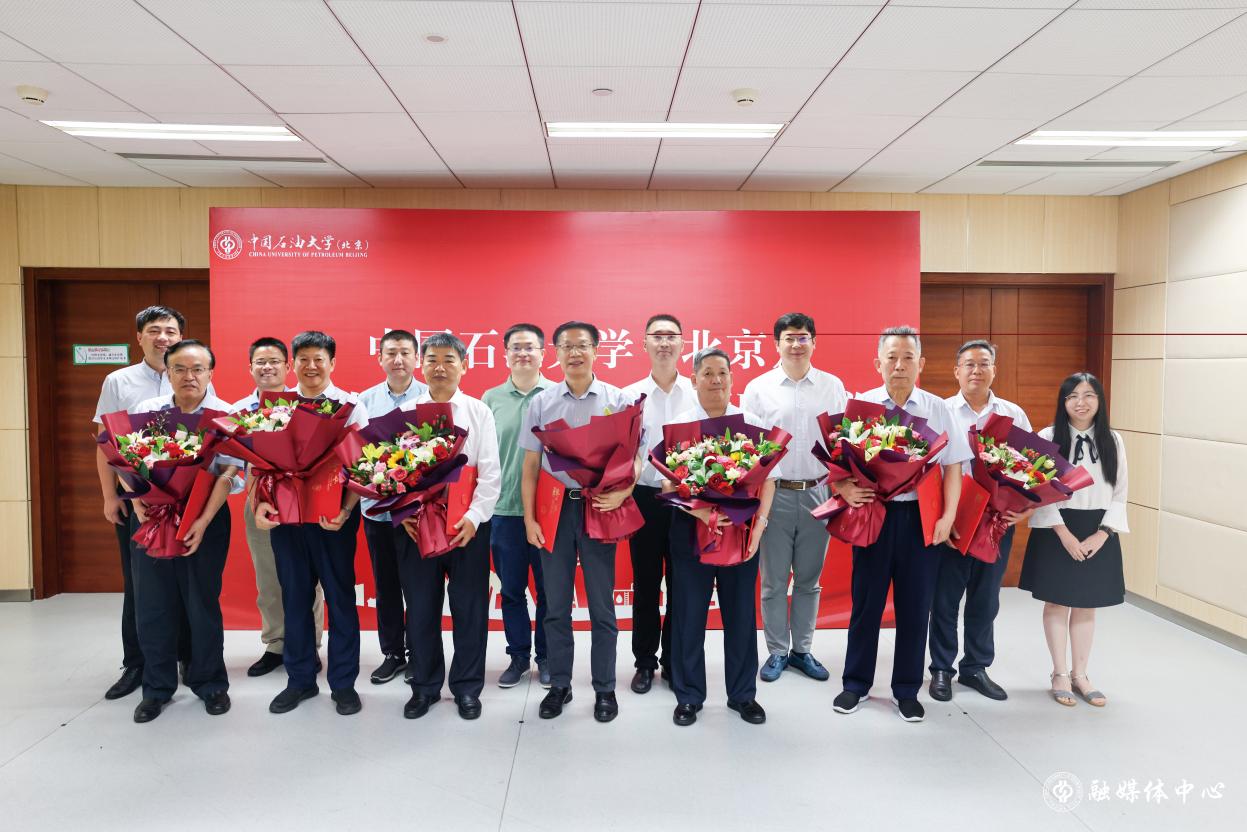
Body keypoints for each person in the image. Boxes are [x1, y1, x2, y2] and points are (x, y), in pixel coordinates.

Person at [832, 326, 970, 723]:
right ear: (878, 363)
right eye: (891, 357)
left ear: (920, 364)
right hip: (874, 514)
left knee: (915, 607)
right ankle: (856, 683)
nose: (899, 365)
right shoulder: (861, 406)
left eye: (908, 357)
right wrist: (843, 488)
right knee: (866, 604)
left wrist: (948, 516)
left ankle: (906, 689)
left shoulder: (937, 408)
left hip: (920, 519)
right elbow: (838, 464)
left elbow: (954, 465)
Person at [520, 321, 639, 723]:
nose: (574, 353)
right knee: (555, 605)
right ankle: (560, 685)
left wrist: (624, 491)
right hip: (555, 510)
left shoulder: (618, 400)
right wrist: (530, 518)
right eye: (566, 346)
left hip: (599, 506)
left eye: (582, 345)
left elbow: (635, 457)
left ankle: (605, 688)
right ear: (555, 353)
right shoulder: (542, 403)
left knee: (602, 606)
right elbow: (530, 466)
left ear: (596, 350)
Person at [255, 331, 369, 717]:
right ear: (293, 365)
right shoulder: (277, 407)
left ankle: (344, 684)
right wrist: (262, 503)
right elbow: (264, 467)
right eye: (303, 359)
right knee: (295, 598)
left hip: (332, 519)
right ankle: (300, 679)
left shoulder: (350, 407)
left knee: (340, 599)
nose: (311, 366)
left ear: (332, 363)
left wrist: (347, 510)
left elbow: (362, 465)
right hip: (288, 520)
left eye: (319, 358)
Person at [128, 340, 242, 723]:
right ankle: (156, 689)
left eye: (197, 369)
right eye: (179, 368)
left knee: (202, 603)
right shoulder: (148, 411)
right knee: (153, 605)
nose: (188, 376)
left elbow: (228, 472)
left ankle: (210, 684)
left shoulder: (226, 415)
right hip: (152, 517)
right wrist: (137, 502)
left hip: (205, 519)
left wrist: (202, 521)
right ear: (168, 372)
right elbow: (124, 460)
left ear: (210, 373)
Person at [665, 348, 774, 727]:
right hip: (690, 529)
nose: (716, 380)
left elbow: (769, 479)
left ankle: (743, 695)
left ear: (731, 378)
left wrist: (759, 526)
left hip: (741, 531)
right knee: (689, 615)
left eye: (722, 373)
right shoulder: (680, 425)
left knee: (741, 615)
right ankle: (688, 696)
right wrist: (701, 512)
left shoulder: (752, 424)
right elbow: (668, 484)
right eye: (708, 373)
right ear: (693, 380)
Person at [394, 333, 501, 720]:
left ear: (464, 366)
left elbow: (490, 473)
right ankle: (424, 686)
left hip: (467, 526)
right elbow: (391, 473)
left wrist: (473, 518)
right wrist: (404, 511)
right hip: (416, 526)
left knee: (469, 609)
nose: (440, 367)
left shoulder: (478, 411)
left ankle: (468, 688)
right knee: (421, 608)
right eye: (432, 359)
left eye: (449, 360)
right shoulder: (404, 412)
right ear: (421, 365)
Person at [93, 305, 193, 701]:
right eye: (154, 330)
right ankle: (136, 663)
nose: (163, 337)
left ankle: (187, 657)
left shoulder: (193, 374)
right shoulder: (119, 381)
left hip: (185, 499)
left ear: (181, 336)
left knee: (186, 581)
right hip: (138, 500)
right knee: (140, 585)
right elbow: (106, 444)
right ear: (139, 337)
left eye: (170, 330)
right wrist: (110, 496)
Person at [740, 312, 847, 684]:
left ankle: (802, 649)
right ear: (777, 344)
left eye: (803, 338)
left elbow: (842, 442)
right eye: (789, 338)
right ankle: (776, 651)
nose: (797, 344)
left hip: (819, 491)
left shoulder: (832, 386)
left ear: (814, 342)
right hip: (775, 494)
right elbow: (748, 449)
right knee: (772, 581)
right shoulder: (759, 388)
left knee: (808, 579)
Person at [928, 340, 1033, 703]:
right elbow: (928, 468)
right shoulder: (941, 411)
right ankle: (942, 668)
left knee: (986, 598)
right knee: (944, 598)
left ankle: (975, 667)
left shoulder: (1012, 414)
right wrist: (942, 517)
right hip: (954, 518)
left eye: (983, 363)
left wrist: (1025, 508)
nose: (976, 370)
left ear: (994, 370)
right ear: (956, 371)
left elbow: (1029, 465)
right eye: (969, 364)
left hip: (997, 520)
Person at [1019, 372, 1127, 708]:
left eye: (1089, 395)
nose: (1081, 403)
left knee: (1086, 604)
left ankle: (1081, 675)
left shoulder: (1113, 440)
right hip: (1058, 529)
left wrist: (1103, 533)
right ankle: (1060, 673)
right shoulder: (1048, 437)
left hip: (1098, 530)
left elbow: (1120, 492)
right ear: (1063, 402)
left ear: (1100, 401)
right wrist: (1063, 533)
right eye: (1073, 396)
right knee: (1057, 602)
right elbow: (1038, 489)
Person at [230, 337, 325, 678]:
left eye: (274, 361)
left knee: (307, 578)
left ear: (287, 367)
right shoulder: (238, 411)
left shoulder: (305, 405)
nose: (267, 367)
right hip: (259, 502)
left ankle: (309, 644)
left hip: (302, 501)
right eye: (260, 362)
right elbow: (232, 466)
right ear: (250, 368)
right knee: (268, 577)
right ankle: (276, 644)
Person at [623, 314, 694, 694]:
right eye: (657, 336)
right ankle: (645, 662)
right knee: (646, 584)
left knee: (683, 585)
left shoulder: (697, 394)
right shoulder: (630, 396)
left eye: (671, 336)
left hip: (688, 502)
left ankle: (674, 660)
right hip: (645, 498)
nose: (664, 343)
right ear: (645, 343)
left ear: (683, 343)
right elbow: (625, 453)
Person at [482, 323, 553, 689]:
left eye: (530, 347)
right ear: (506, 354)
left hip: (550, 512)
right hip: (504, 510)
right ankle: (519, 656)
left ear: (543, 353)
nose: (523, 353)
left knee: (549, 591)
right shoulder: (491, 398)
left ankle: (547, 658)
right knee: (511, 590)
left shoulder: (557, 395)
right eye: (516, 347)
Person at [357, 330, 429, 685]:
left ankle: (419, 653)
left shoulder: (429, 398)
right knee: (385, 586)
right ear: (380, 358)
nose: (398, 359)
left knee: (418, 586)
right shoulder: (364, 401)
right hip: (377, 511)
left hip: (417, 513)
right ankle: (392, 653)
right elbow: (354, 456)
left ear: (416, 358)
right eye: (391, 353)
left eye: (404, 352)